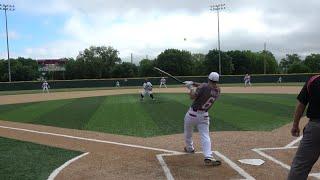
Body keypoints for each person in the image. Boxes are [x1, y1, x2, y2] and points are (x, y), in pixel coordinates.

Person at [183, 72, 222, 166]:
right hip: (204, 115)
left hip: (192, 114)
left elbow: (192, 96)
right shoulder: (218, 90)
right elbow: (205, 86)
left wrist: (191, 88)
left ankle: (189, 148)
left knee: (188, 133)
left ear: (208, 78)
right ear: (217, 81)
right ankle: (208, 156)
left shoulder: (204, 87)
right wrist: (193, 82)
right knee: (205, 135)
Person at [288, 74, 320, 180]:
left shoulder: (313, 80)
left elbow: (301, 104)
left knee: (300, 167)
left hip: (316, 128)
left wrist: (295, 125)